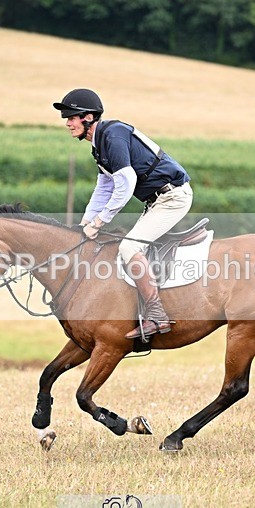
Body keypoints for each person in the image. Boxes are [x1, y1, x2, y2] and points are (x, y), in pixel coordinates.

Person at [53, 88, 194, 340]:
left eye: (72, 117)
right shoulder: (99, 145)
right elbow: (104, 188)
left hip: (172, 197)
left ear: (88, 117)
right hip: (157, 200)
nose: (67, 123)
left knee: (129, 248)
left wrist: (99, 222)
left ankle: (157, 315)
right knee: (125, 249)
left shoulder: (113, 136)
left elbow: (126, 185)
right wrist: (85, 222)